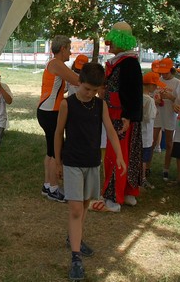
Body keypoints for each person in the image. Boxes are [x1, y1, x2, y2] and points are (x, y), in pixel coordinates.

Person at [54, 62, 126, 281]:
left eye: (95, 90)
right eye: (87, 89)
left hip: (92, 162)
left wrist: (120, 157)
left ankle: (74, 238)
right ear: (78, 83)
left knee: (84, 205)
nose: (90, 94)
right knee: (75, 208)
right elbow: (58, 134)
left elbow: (111, 132)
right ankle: (76, 258)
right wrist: (58, 161)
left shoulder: (100, 105)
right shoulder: (68, 104)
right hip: (72, 162)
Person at [101, 22, 142, 210]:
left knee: (116, 154)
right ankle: (126, 191)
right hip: (118, 114)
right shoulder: (121, 62)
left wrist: (127, 116)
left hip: (121, 117)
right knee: (125, 153)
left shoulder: (128, 63)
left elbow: (133, 93)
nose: (109, 45)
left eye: (112, 41)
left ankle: (114, 195)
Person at [37, 35, 80, 202]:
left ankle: (48, 185)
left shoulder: (53, 64)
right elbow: (76, 80)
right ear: (62, 49)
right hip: (51, 111)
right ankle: (54, 188)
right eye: (69, 48)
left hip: (46, 110)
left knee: (50, 150)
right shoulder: (57, 64)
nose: (70, 52)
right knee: (56, 151)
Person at [152, 57, 180, 181]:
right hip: (158, 114)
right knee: (152, 141)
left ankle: (166, 169)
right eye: (162, 71)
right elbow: (152, 96)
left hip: (170, 115)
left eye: (166, 71)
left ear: (171, 70)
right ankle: (147, 167)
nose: (164, 74)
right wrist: (157, 100)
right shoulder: (158, 80)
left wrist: (170, 97)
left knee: (169, 143)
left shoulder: (177, 83)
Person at [142, 72, 165, 189]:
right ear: (150, 86)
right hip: (146, 135)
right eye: (155, 85)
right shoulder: (149, 100)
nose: (156, 88)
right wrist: (155, 107)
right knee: (144, 159)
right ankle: (142, 179)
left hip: (138, 132)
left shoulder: (138, 97)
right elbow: (150, 116)